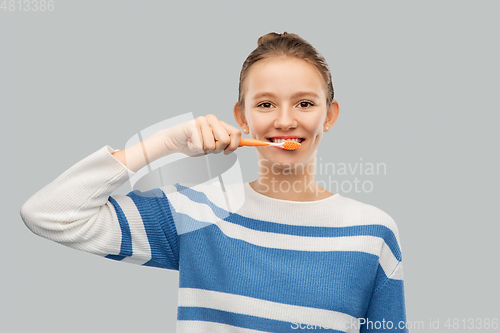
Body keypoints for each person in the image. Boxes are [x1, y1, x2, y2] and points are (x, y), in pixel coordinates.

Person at [20, 32, 408, 332]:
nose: (286, 120)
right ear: (242, 116)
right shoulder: (196, 213)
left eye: (305, 103)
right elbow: (49, 214)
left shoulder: (372, 234)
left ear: (330, 115)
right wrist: (161, 143)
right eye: (266, 104)